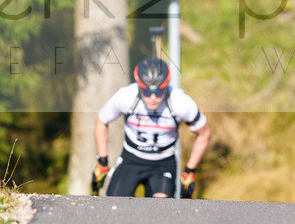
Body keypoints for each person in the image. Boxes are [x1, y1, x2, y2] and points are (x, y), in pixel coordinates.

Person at [91, 56, 212, 198]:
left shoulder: (180, 102)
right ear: (139, 86)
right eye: (147, 92)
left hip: (163, 164)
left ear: (166, 87)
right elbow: (101, 121)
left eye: (159, 92)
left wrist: (190, 170)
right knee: (114, 204)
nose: (153, 97)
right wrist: (102, 161)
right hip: (131, 159)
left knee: (160, 209)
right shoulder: (126, 96)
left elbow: (204, 133)